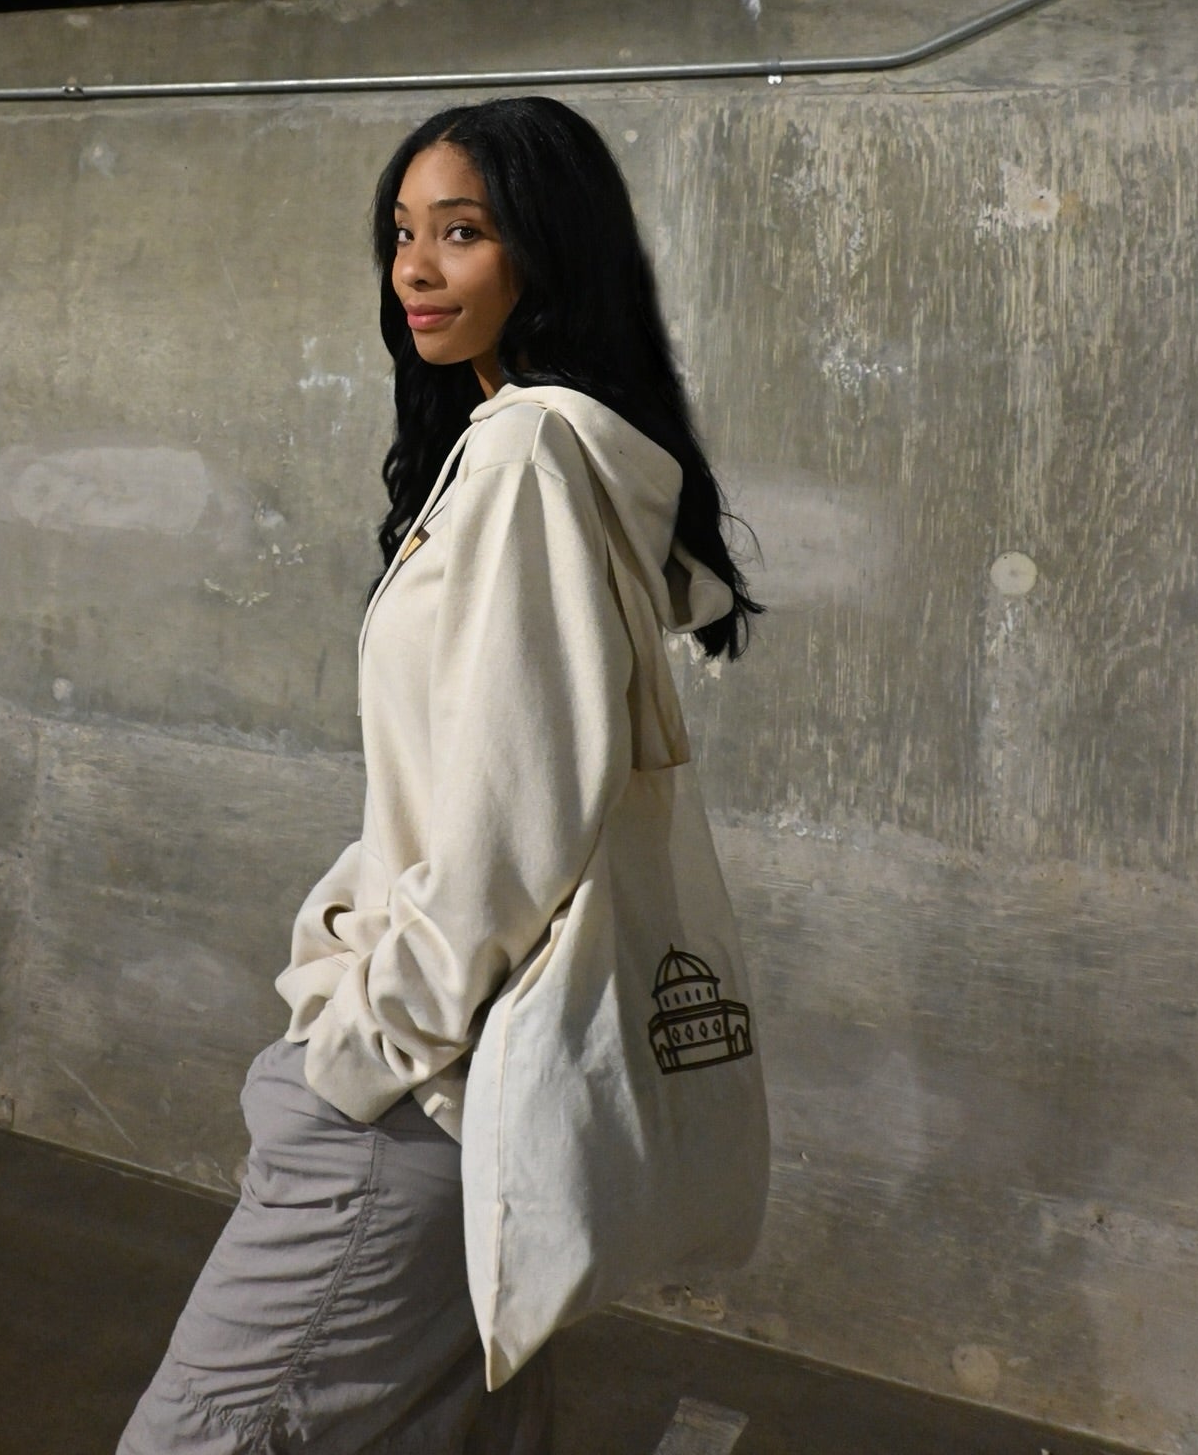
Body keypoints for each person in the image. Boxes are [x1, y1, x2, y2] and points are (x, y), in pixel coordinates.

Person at [118, 95, 758, 1455]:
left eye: (460, 233)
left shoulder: (530, 450)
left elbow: (512, 817)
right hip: (454, 1085)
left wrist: (365, 1048)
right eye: (402, 234)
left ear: (547, 252)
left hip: (421, 1092)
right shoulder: (547, 452)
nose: (413, 269)